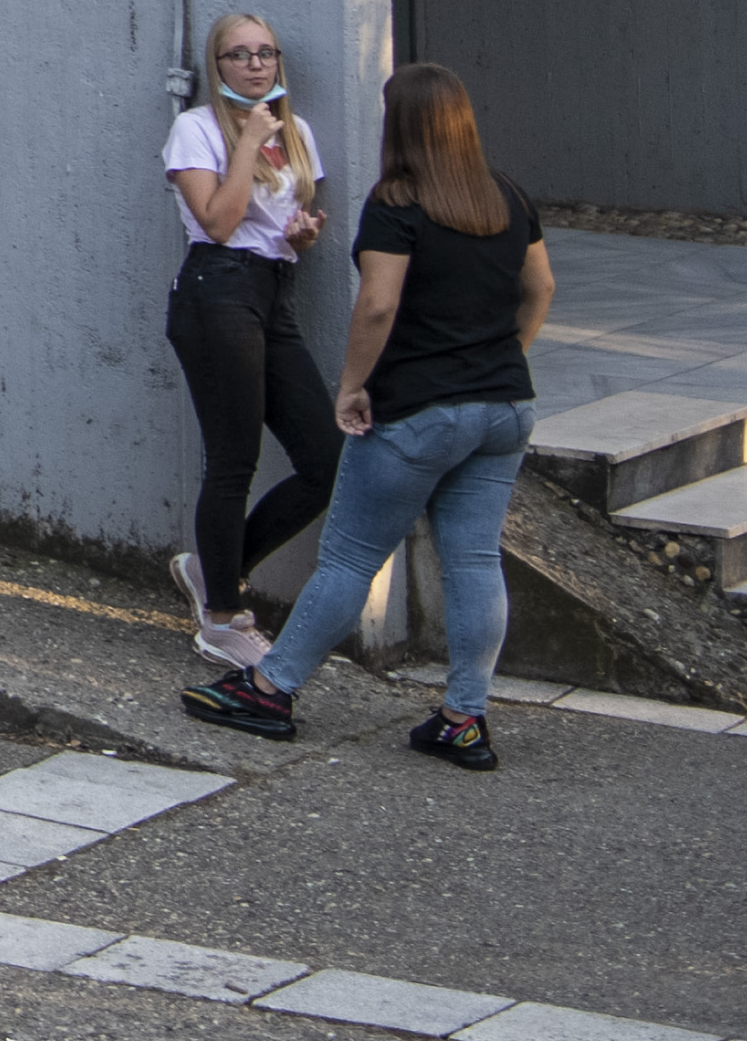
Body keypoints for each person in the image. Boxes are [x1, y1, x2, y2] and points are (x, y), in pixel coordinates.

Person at [184, 61, 555, 768]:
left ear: (401, 125)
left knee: (351, 556)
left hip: (420, 411)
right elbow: (540, 287)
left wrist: (352, 386)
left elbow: (378, 304)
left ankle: (269, 689)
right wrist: (503, 361)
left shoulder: (398, 201)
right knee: (474, 561)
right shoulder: (505, 196)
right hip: (505, 407)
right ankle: (463, 719)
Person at [160, 9, 337, 675]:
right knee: (233, 457)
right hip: (215, 293)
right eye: (239, 55)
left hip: (272, 293)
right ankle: (221, 620)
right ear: (218, 66)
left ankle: (216, 572)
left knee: (327, 461)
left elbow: (273, 230)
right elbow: (220, 221)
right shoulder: (195, 129)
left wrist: (301, 241)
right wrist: (246, 141)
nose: (256, 64)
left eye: (266, 53)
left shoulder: (297, 134)